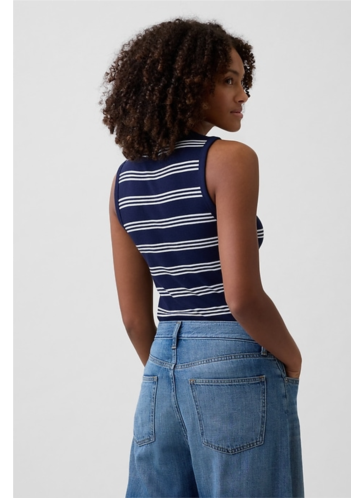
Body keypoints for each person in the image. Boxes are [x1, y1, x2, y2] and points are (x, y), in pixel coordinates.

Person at [101, 18, 305, 498]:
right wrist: (292, 358)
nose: (243, 95)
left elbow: (134, 319)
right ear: (189, 84)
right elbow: (242, 297)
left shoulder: (124, 180)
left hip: (159, 370)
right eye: (228, 80)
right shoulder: (230, 159)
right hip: (233, 359)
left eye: (243, 81)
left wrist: (171, 370)